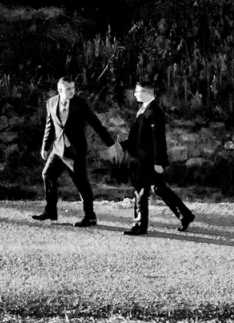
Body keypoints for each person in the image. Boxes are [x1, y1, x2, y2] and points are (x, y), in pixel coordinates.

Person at [30, 75, 116, 227]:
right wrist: (45, 146)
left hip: (75, 151)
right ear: (60, 90)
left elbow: (95, 123)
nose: (72, 91)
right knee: (47, 174)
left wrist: (110, 143)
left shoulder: (80, 104)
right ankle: (50, 211)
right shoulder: (51, 103)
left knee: (81, 184)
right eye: (68, 89)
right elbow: (50, 127)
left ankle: (90, 216)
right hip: (57, 150)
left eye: (73, 88)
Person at [120, 76, 195, 235]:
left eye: (137, 91)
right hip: (145, 158)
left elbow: (158, 139)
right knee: (160, 188)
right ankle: (185, 215)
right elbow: (139, 136)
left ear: (147, 93)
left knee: (141, 190)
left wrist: (158, 162)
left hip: (149, 160)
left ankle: (139, 225)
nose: (134, 94)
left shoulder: (154, 112)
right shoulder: (144, 109)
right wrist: (123, 144)